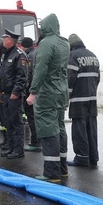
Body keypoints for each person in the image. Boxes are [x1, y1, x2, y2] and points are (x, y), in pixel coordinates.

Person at [26, 13, 69, 183]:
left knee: (48, 129)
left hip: (48, 92)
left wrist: (33, 92)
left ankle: (52, 173)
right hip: (61, 91)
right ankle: (62, 169)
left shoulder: (46, 43)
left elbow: (41, 69)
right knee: (60, 128)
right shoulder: (64, 42)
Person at [66, 34, 100, 167]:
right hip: (92, 99)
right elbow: (97, 78)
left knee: (79, 129)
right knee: (91, 127)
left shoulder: (73, 56)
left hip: (78, 99)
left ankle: (81, 157)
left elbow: (70, 79)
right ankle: (93, 156)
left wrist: (66, 97)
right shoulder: (93, 55)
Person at [0, 29, 29, 159]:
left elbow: (22, 76)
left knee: (16, 122)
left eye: (5, 38)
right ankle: (11, 147)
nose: (2, 40)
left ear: (10, 40)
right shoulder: (6, 54)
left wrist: (16, 92)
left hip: (13, 95)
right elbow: (1, 74)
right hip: (5, 94)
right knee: (8, 122)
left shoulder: (19, 55)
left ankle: (18, 149)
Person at [21, 37, 41, 152]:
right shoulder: (36, 53)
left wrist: (29, 90)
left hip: (30, 91)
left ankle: (35, 142)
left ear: (24, 46)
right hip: (36, 90)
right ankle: (38, 140)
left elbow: (29, 74)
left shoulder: (29, 56)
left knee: (32, 116)